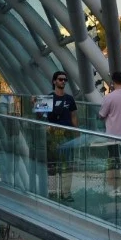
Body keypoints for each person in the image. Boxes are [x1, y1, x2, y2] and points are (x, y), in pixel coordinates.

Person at [43, 70, 78, 201]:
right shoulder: (49, 98)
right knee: (52, 165)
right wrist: (35, 104)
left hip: (67, 135)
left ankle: (66, 193)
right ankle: (52, 192)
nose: (63, 81)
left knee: (67, 165)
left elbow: (74, 116)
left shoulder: (69, 99)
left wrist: (77, 133)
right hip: (52, 135)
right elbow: (40, 116)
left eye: (65, 80)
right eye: (60, 79)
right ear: (54, 81)